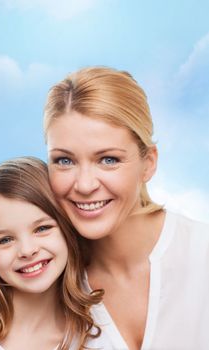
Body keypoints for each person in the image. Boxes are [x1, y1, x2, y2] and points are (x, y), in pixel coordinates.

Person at [43, 66, 209, 350]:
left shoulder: (201, 253)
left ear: (149, 163)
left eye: (108, 159)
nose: (84, 185)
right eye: (64, 161)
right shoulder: (43, 282)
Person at [0, 157, 109, 350]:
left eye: (42, 228)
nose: (27, 250)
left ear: (67, 228)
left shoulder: (99, 337)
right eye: (5, 240)